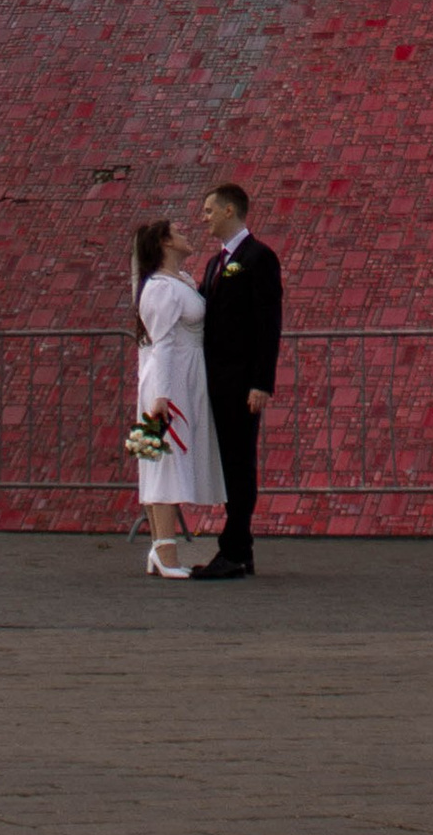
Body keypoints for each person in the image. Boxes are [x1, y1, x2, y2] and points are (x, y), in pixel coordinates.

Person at [193, 180, 281, 579]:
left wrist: (261, 382)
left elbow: (267, 324)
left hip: (242, 381)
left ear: (230, 210)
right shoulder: (214, 264)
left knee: (239, 463)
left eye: (210, 210)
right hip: (216, 380)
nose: (205, 217)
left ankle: (233, 547)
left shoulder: (259, 258)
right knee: (229, 463)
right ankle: (240, 549)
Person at [133, 216, 224, 578]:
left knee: (159, 457)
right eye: (178, 233)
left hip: (180, 376)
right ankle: (165, 551)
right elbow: (163, 343)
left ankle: (160, 548)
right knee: (163, 459)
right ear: (165, 244)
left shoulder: (177, 282)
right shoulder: (160, 288)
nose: (186, 236)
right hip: (170, 381)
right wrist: (162, 396)